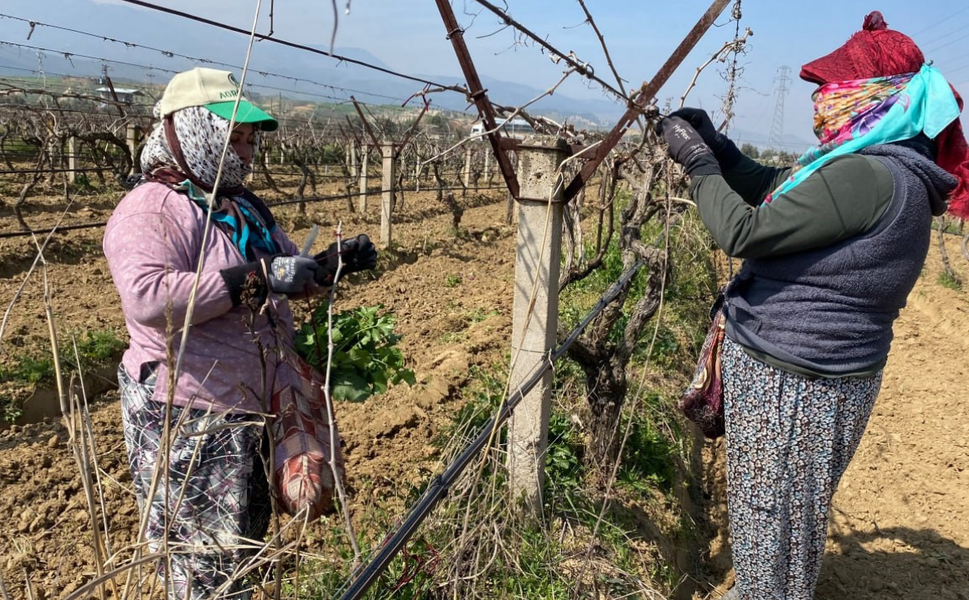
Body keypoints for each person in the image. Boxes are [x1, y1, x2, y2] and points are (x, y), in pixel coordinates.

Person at [656, 12, 969, 600]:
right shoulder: (888, 169)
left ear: (874, 97)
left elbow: (744, 231)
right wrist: (722, 150)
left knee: (766, 528)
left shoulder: (870, 176)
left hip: (792, 386)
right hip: (820, 381)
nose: (821, 101)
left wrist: (699, 165)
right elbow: (782, 190)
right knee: (788, 526)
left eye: (833, 88)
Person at [103, 67, 377, 599]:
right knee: (201, 561)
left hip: (250, 404)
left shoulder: (241, 206)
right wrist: (258, 277)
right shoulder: (153, 208)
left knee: (243, 542)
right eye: (236, 138)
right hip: (190, 411)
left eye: (251, 140)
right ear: (193, 131)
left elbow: (285, 270)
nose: (247, 153)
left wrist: (328, 265)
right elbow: (149, 298)